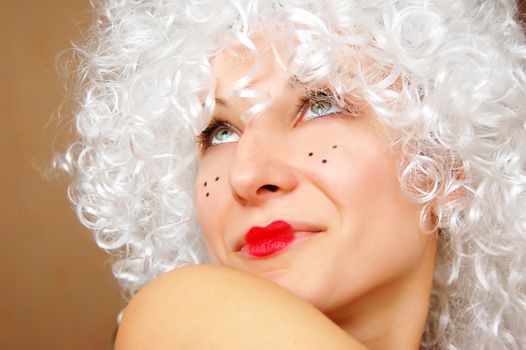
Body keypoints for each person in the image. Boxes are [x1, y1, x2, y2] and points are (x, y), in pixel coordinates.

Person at [58, 0, 526, 349]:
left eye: (320, 105)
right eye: (219, 132)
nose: (247, 174)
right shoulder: (178, 317)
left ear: (446, 167)